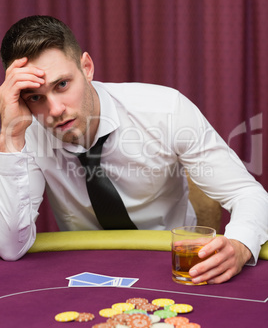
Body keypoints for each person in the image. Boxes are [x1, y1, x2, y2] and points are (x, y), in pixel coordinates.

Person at [0, 15, 267, 284]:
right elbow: (10, 248)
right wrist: (9, 136)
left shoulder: (166, 109)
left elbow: (247, 192)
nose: (55, 110)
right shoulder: (24, 136)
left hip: (172, 265)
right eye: (36, 97)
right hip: (84, 271)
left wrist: (241, 244)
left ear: (87, 67)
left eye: (62, 84)